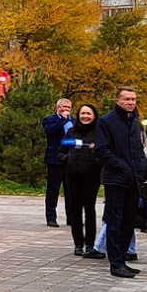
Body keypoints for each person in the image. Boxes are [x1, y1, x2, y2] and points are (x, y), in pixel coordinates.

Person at [93, 87, 147, 278]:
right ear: (117, 101)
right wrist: (121, 166)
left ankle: (122, 259)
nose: (131, 102)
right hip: (116, 179)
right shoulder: (107, 121)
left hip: (134, 179)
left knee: (128, 221)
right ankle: (115, 263)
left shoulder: (134, 121)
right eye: (127, 99)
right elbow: (101, 149)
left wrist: (141, 169)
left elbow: (138, 148)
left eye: (133, 99)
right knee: (114, 221)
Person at [58, 104, 103, 256]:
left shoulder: (99, 133)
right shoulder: (71, 132)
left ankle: (90, 244)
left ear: (94, 116)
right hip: (73, 176)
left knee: (89, 210)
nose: (85, 116)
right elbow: (61, 152)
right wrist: (68, 159)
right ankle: (78, 244)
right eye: (83, 113)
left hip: (91, 176)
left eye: (88, 114)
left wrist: (95, 159)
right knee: (75, 211)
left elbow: (104, 153)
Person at [41, 98, 73, 227]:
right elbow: (50, 132)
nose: (66, 110)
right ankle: (51, 217)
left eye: (69, 107)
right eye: (64, 107)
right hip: (55, 160)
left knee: (70, 191)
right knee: (53, 190)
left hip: (70, 160)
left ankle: (71, 218)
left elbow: (75, 138)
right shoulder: (50, 120)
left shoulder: (74, 121)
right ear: (57, 107)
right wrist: (62, 120)